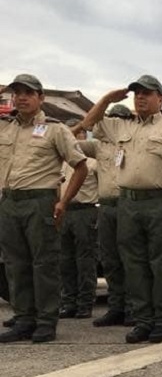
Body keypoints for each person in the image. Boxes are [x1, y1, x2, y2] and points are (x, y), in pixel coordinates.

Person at [79, 75, 162, 344]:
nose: (140, 98)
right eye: (137, 94)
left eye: (147, 93)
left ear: (160, 99)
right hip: (128, 202)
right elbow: (88, 123)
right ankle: (143, 320)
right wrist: (108, 99)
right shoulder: (122, 127)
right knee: (134, 264)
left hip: (161, 201)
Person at [0, 74, 89, 343]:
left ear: (41, 98)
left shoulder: (55, 129)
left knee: (44, 264)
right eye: (17, 93)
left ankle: (46, 321)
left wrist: (63, 201)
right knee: (15, 264)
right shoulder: (6, 128)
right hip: (9, 201)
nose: (21, 98)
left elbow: (80, 167)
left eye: (28, 93)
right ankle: (24, 319)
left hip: (40, 201)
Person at [76, 105, 132, 327]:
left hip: (127, 203)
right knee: (110, 259)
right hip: (107, 206)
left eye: (119, 119)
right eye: (111, 118)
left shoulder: (133, 142)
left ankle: (134, 307)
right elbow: (68, 141)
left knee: (131, 258)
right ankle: (116, 307)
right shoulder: (97, 146)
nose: (113, 123)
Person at [58, 122, 100, 320]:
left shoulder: (92, 162)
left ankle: (85, 303)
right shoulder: (63, 161)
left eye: (80, 133)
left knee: (85, 260)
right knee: (65, 260)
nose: (76, 137)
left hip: (85, 210)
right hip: (65, 211)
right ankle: (68, 302)